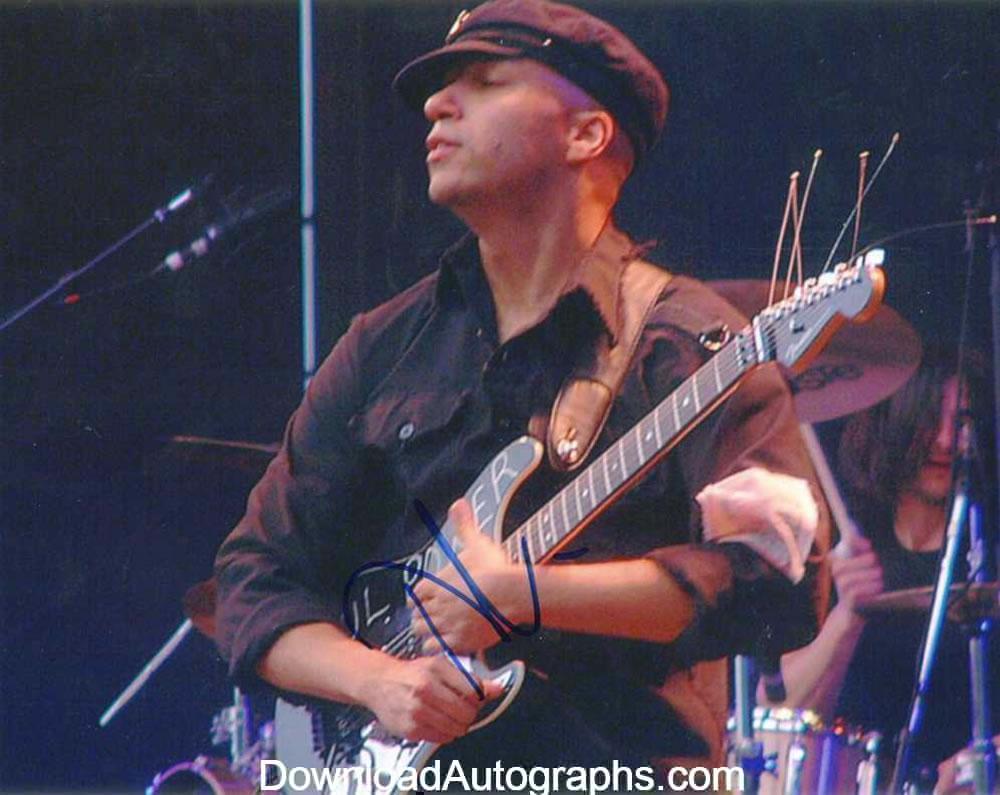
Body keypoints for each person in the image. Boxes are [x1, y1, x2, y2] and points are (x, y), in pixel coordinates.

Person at [214, 0, 831, 777]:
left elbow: (782, 575)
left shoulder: (691, 345)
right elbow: (254, 579)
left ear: (586, 134)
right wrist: (377, 681)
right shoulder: (385, 345)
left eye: (485, 81)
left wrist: (528, 595)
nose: (438, 106)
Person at [763, 344, 998, 789]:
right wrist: (847, 617)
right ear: (895, 425)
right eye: (928, 419)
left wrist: (978, 764)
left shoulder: (987, 552)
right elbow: (776, 716)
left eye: (959, 423)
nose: (944, 440)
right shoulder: (839, 550)